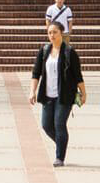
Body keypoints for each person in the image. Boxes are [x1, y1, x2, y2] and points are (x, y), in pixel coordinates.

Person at [29, 20, 85, 167]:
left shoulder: (69, 52)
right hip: (47, 95)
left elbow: (78, 75)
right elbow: (36, 73)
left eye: (55, 32)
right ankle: (61, 142)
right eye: (49, 32)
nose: (52, 35)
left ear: (61, 33)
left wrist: (84, 93)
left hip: (64, 95)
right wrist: (32, 91)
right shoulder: (44, 51)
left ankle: (59, 157)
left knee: (59, 124)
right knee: (46, 125)